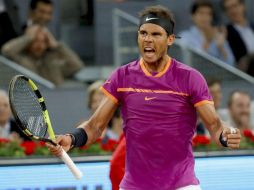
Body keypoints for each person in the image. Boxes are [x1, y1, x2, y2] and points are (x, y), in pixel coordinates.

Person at [47, 5, 241, 190]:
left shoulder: (190, 77)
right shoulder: (122, 76)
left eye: (156, 34)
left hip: (182, 184)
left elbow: (214, 125)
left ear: (170, 39)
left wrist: (225, 136)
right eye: (143, 33)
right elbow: (95, 126)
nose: (148, 39)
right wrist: (72, 138)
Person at [1, 25, 84, 85]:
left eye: (43, 41)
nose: (39, 45)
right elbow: (7, 50)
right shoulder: (21, 59)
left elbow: (77, 65)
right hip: (30, 100)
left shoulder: (53, 60)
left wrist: (57, 46)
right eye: (35, 41)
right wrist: (28, 38)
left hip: (57, 99)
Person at [179, 0, 235, 66]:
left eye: (209, 14)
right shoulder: (184, 37)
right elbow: (189, 63)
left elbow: (231, 64)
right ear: (192, 16)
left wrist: (221, 47)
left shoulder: (218, 36)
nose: (205, 17)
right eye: (201, 13)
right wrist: (208, 41)